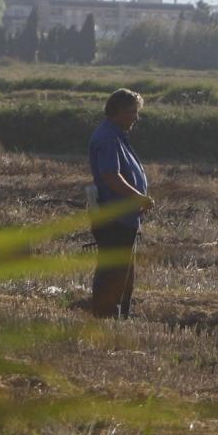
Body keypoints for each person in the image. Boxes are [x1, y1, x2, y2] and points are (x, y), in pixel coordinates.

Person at [88, 89, 153, 319]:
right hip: (114, 218)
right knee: (113, 274)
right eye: (131, 112)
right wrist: (138, 197)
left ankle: (117, 319)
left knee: (123, 274)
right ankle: (105, 319)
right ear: (116, 112)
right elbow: (111, 176)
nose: (136, 118)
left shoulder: (115, 135)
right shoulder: (108, 138)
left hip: (124, 218)